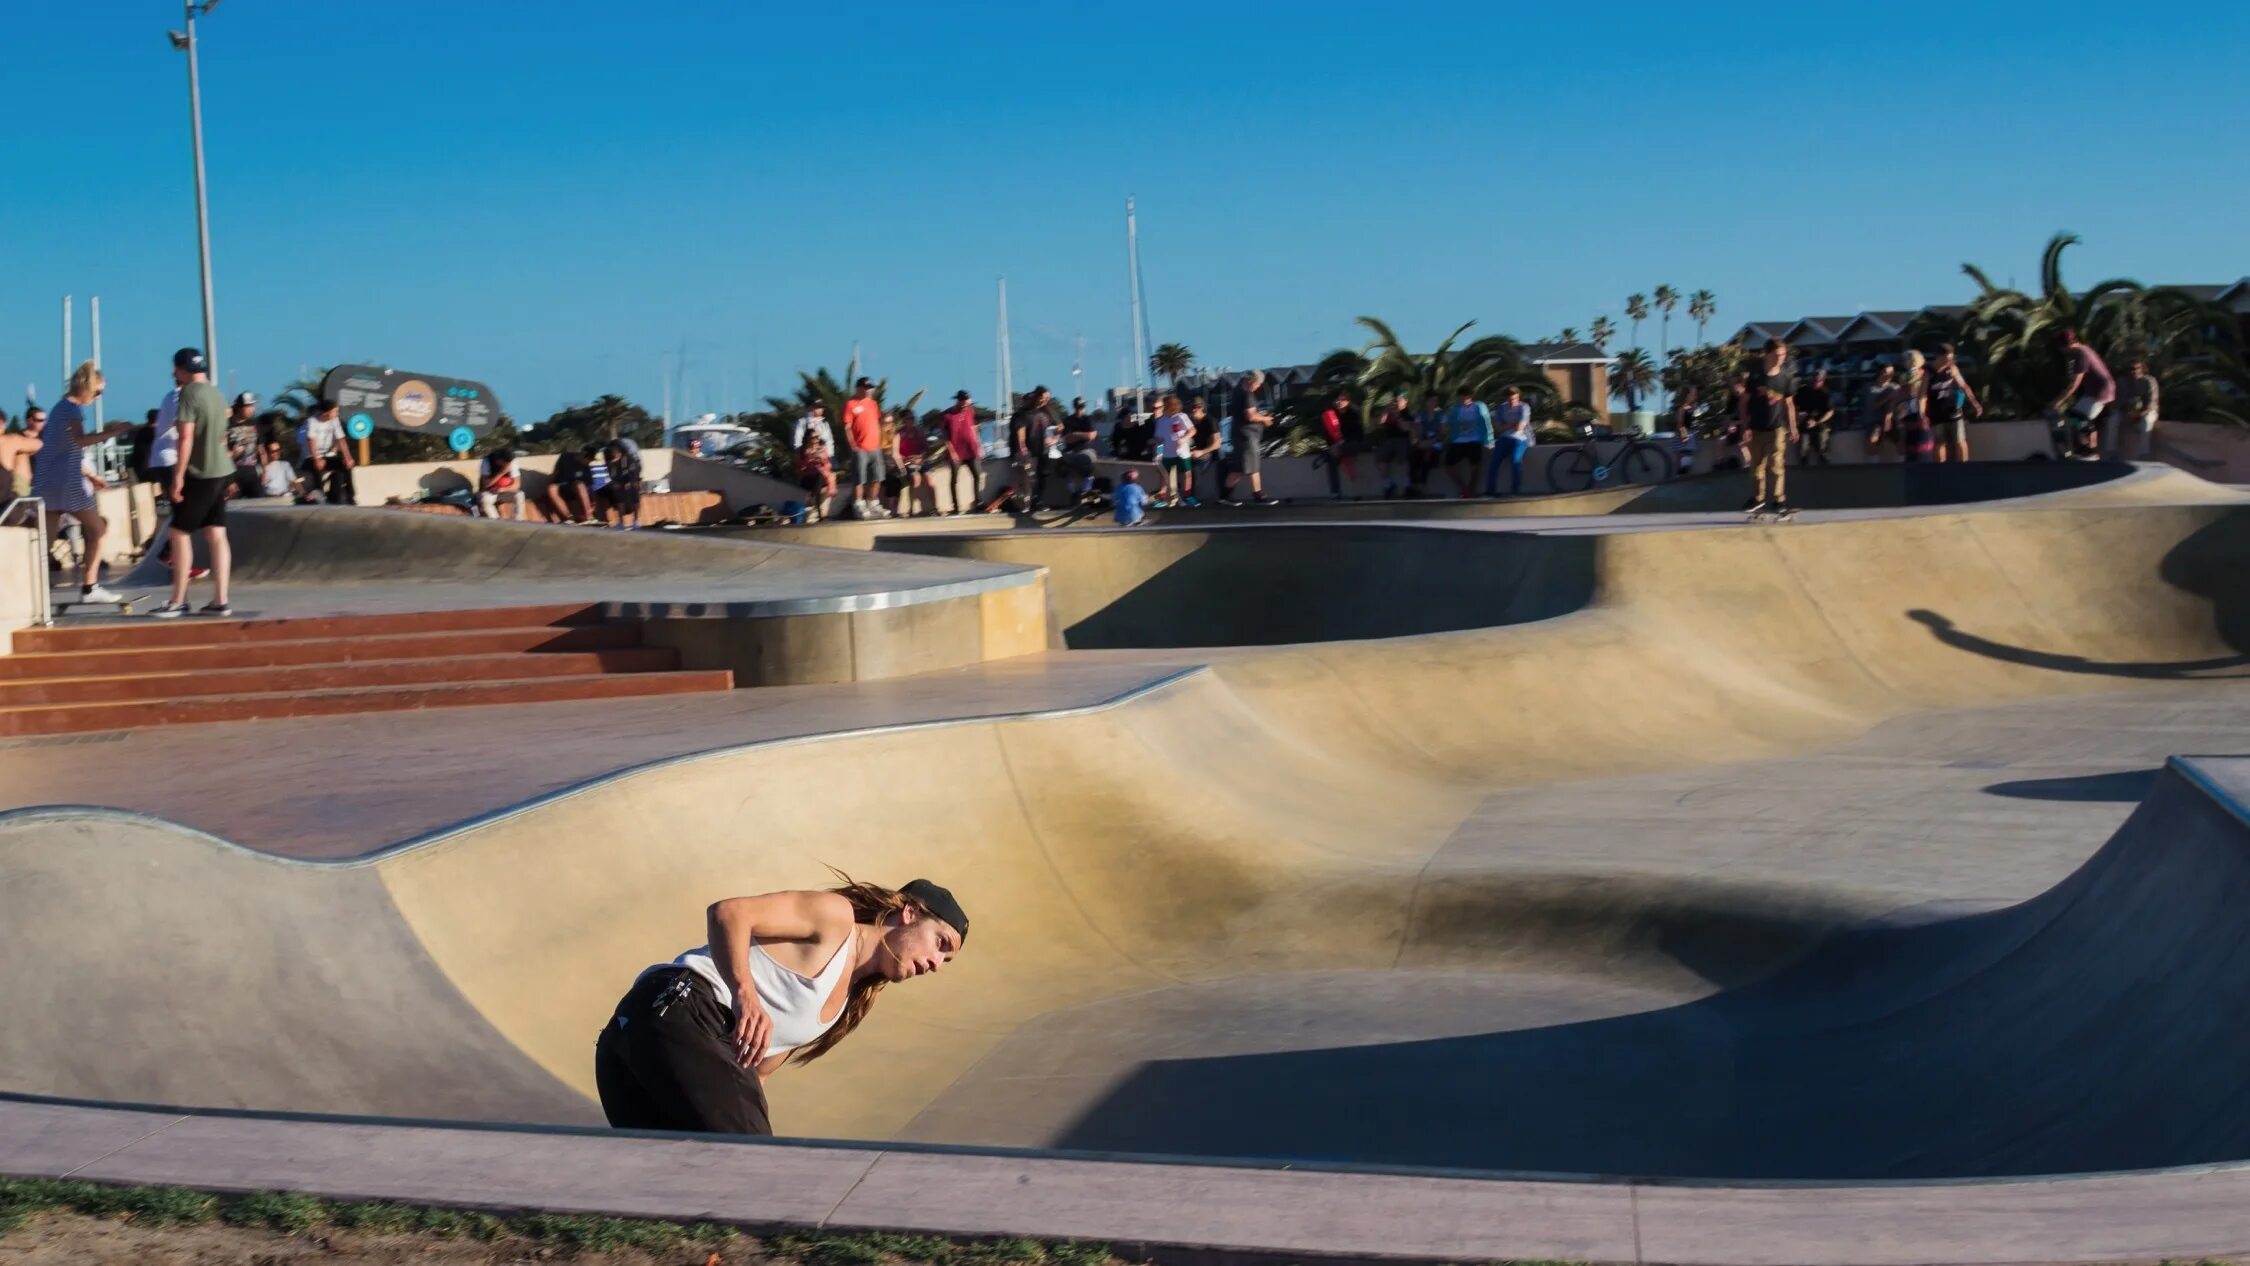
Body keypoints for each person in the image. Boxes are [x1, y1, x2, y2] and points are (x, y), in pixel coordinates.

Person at [595, 876, 967, 1137]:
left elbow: (753, 1077)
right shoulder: (835, 919)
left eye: (946, 961)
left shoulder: (842, 1008)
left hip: (631, 1044)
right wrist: (745, 993)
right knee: (756, 1169)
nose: (936, 963)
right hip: (680, 1007)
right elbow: (728, 913)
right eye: (941, 943)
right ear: (908, 913)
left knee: (673, 1190)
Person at [31, 363, 134, 603]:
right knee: (98, 529)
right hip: (67, 483)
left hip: (49, 479)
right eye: (98, 392)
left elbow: (63, 450)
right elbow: (79, 441)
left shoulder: (58, 408)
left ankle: (32, 586)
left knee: (45, 539)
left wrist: (90, 474)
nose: (98, 398)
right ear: (86, 387)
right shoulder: (72, 410)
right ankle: (90, 586)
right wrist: (114, 432)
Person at [156, 347, 235, 617]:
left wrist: (178, 476)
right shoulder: (216, 392)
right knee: (216, 533)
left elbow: (185, 437)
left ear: (181, 370)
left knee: (178, 533)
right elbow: (223, 435)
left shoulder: (187, 393)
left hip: (201, 472)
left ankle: (178, 600)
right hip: (222, 469)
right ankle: (220, 600)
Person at [1738, 339, 1797, 517]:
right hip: (1756, 428)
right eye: (1777, 355)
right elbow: (1743, 402)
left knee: (1776, 465)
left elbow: (1789, 403)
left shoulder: (1786, 377)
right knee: (1757, 467)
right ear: (1768, 354)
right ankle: (1758, 499)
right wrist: (1745, 426)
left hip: (1777, 428)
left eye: (1783, 355)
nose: (1780, 358)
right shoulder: (1756, 377)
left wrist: (1793, 427)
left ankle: (1779, 500)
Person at [2052, 328, 2115, 460]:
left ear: (2066, 346)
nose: (2063, 353)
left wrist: (2058, 401)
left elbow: (2074, 384)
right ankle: (2085, 450)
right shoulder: (2084, 349)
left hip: (2101, 391)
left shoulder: (2081, 355)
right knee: (2075, 417)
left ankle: (2091, 452)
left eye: (2062, 349)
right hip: (2096, 391)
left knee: (2080, 418)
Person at [1926, 345, 1983, 463]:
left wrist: (1974, 402)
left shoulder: (1952, 369)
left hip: (1952, 410)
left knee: (1959, 440)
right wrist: (1923, 414)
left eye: (1951, 358)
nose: (1949, 361)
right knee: (1939, 442)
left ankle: (1963, 467)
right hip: (1936, 411)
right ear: (1940, 357)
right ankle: (1940, 469)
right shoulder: (1928, 372)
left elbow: (1963, 386)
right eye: (1947, 358)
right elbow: (1922, 396)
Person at [1223, 370, 1272, 505]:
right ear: (1253, 381)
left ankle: (1224, 496)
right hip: (1247, 435)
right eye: (1258, 384)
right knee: (1253, 465)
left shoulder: (1237, 391)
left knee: (1238, 468)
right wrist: (1265, 418)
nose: (1258, 387)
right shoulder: (1247, 395)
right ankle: (1258, 494)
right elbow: (1250, 416)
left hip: (1239, 434)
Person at [842, 378, 887, 519]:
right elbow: (847, 426)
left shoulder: (873, 404)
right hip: (860, 448)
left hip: (875, 447)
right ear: (859, 388)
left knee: (877, 477)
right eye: (866, 387)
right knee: (859, 478)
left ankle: (873, 503)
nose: (869, 390)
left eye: (871, 387)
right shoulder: (850, 404)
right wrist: (852, 445)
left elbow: (876, 421)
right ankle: (859, 504)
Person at [300, 399, 355, 505]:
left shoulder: (334, 420)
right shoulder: (312, 421)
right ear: (326, 413)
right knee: (316, 467)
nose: (336, 414)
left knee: (345, 465)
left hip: (326, 455)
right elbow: (311, 441)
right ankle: (320, 496)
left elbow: (341, 440)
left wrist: (348, 457)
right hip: (311, 456)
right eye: (335, 411)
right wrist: (317, 459)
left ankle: (350, 497)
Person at [1441, 387, 1492, 498]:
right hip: (1459, 440)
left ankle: (1470, 491)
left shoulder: (1479, 406)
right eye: (1462, 396)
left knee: (1476, 466)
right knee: (1448, 465)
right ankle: (1464, 489)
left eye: (1467, 396)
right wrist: (1445, 428)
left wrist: (1489, 440)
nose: (1464, 398)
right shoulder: (1455, 409)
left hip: (1475, 440)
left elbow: (1487, 422)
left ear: (1471, 396)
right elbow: (1445, 420)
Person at [1011, 386, 1056, 509]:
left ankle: (1039, 501)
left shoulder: (1047, 411)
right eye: (1043, 398)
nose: (1044, 400)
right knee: (1028, 478)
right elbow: (1021, 430)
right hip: (1030, 450)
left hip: (1044, 450)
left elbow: (1060, 426)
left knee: (1044, 475)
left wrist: (1054, 439)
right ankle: (1025, 503)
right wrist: (1022, 446)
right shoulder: (1023, 414)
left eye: (1047, 398)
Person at [939, 391, 982, 515]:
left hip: (971, 449)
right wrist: (951, 451)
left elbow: (973, 428)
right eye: (963, 404)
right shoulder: (947, 415)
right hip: (956, 451)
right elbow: (944, 436)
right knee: (954, 479)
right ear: (958, 401)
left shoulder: (970, 411)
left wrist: (978, 445)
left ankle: (978, 501)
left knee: (977, 474)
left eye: (967, 404)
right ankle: (956, 505)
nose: (965, 406)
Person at [1487, 385, 1533, 496]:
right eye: (1510, 399)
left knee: (1515, 460)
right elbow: (1497, 428)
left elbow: (1520, 427)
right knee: (1494, 462)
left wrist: (1506, 425)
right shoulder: (1501, 408)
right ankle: (1490, 491)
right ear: (1506, 399)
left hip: (1520, 439)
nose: (1513, 401)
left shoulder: (1524, 407)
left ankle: (1515, 491)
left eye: (1515, 399)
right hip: (1504, 438)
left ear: (1518, 397)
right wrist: (1513, 424)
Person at [1319, 390, 1364, 499]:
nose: (1339, 402)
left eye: (1343, 400)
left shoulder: (1353, 414)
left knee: (1334, 453)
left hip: (1352, 444)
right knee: (1331, 462)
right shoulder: (1332, 415)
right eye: (1338, 400)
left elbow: (1356, 434)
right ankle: (1335, 492)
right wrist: (1333, 445)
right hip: (1337, 448)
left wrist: (1339, 444)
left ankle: (1328, 454)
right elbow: (1328, 434)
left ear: (1348, 402)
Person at [1057, 398, 1101, 502]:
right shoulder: (1068, 420)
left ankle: (1086, 491)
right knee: (1062, 466)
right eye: (1078, 408)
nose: (1080, 410)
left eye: (1081, 408)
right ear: (1075, 408)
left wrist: (1075, 434)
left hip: (1086, 450)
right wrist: (1082, 435)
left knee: (1086, 463)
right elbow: (1067, 438)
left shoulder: (1088, 419)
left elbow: (1091, 435)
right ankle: (1074, 493)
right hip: (1071, 451)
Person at [1152, 394, 1194, 503]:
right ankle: (1161, 499)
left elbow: (1192, 431)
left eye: (1163, 405)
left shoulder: (1181, 416)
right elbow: (1159, 438)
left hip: (1182, 452)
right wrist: (1156, 448)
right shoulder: (1161, 421)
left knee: (1186, 474)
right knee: (1164, 476)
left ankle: (1187, 497)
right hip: (1167, 453)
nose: (1161, 408)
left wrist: (1183, 439)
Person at [1895, 351, 1934, 463]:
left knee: (1916, 454)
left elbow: (1920, 396)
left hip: (1914, 416)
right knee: (1919, 454)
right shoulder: (1923, 375)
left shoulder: (1914, 375)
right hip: (1914, 416)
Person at [543, 446, 599, 523]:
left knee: (579, 484)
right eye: (588, 460)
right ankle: (569, 517)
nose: (589, 462)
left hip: (575, 490)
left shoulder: (586, 468)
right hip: (562, 487)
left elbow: (590, 486)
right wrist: (548, 486)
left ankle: (588, 516)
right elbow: (555, 473)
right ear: (583, 455)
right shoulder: (565, 457)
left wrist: (594, 501)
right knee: (551, 488)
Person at [1374, 393, 1415, 498]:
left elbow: (1405, 428)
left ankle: (1407, 485)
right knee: (1380, 458)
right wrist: (1386, 411)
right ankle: (1388, 484)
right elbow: (1378, 424)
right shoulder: (1388, 413)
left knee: (1403, 457)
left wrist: (1397, 415)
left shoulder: (1407, 413)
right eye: (1395, 401)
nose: (1396, 403)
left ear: (1405, 401)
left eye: (1399, 400)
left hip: (1402, 439)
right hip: (1388, 440)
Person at [895, 408, 934, 517]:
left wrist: (921, 456)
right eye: (909, 418)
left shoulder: (920, 431)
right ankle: (912, 509)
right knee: (915, 478)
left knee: (929, 479)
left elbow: (926, 448)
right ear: (904, 420)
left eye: (913, 418)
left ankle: (934, 508)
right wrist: (907, 459)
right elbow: (896, 452)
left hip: (921, 461)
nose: (912, 420)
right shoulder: (900, 434)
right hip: (908, 462)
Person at [1793, 369, 1835, 466]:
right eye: (1814, 379)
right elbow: (1793, 405)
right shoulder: (1803, 391)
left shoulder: (1825, 393)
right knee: (1803, 450)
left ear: (1822, 380)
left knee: (1822, 449)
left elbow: (1830, 412)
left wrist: (1816, 422)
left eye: (1818, 380)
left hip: (1820, 425)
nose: (1815, 382)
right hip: (1804, 424)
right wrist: (1798, 416)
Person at [2121, 359, 2161, 460]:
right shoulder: (2124, 382)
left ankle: (2144, 454)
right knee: (2112, 420)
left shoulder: (2149, 381)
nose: (2133, 371)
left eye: (2136, 368)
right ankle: (2111, 452)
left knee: (2146, 422)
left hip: (2148, 412)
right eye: (2130, 369)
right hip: (2130, 412)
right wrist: (2127, 414)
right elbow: (2121, 401)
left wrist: (2138, 415)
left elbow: (2151, 403)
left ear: (2142, 369)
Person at [1860, 364, 1900, 461]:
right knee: (1872, 439)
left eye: (1892, 372)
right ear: (1880, 373)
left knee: (1902, 438)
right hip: (1875, 420)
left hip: (1892, 420)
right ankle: (1874, 465)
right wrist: (1888, 398)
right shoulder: (1871, 388)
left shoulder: (1895, 387)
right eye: (1887, 372)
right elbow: (1873, 406)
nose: (1889, 375)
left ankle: (1902, 463)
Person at [1186, 396, 1222, 507]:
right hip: (1195, 452)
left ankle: (1191, 496)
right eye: (1192, 407)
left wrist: (1201, 452)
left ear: (1202, 408)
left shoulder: (1210, 421)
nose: (1194, 410)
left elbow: (1217, 444)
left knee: (1194, 468)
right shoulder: (1191, 422)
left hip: (1209, 453)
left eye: (1197, 407)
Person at [794, 427, 834, 521]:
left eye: (817, 437)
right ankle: (818, 511)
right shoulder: (801, 451)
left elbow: (828, 465)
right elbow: (799, 469)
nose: (816, 440)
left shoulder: (821, 448)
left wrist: (822, 460)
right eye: (813, 438)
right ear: (807, 439)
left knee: (821, 477)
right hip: (808, 478)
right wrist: (808, 460)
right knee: (817, 478)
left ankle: (819, 511)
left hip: (820, 478)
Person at [1412, 390, 1447, 496]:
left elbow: (1442, 433)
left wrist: (1431, 441)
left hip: (1436, 443)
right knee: (1415, 456)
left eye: (1436, 401)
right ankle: (1414, 485)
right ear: (1427, 402)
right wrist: (1422, 441)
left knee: (1428, 457)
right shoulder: (1421, 415)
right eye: (1432, 401)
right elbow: (1419, 432)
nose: (1434, 403)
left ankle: (1422, 485)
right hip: (1424, 442)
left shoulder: (1442, 415)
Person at [605, 437, 644, 529]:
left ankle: (636, 521)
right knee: (618, 493)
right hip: (620, 474)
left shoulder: (631, 458)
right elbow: (612, 474)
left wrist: (632, 482)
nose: (613, 462)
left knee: (635, 490)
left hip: (633, 469)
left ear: (619, 454)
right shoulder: (609, 457)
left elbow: (634, 473)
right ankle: (621, 522)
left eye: (615, 458)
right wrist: (615, 483)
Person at [477, 449, 527, 519]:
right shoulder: (486, 462)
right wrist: (502, 472)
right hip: (490, 491)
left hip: (505, 490)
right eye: (505, 462)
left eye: (508, 462)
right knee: (485, 500)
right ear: (498, 460)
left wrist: (502, 489)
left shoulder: (511, 462)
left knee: (520, 495)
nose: (507, 464)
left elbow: (517, 485)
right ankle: (496, 521)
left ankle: (518, 521)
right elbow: (486, 484)